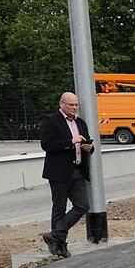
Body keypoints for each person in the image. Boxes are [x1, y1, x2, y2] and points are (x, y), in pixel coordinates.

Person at [39, 92, 94, 258]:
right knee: (59, 208)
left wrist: (89, 148)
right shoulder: (51, 121)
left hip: (78, 170)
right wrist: (70, 142)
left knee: (83, 205)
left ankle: (55, 235)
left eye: (76, 105)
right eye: (71, 105)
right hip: (59, 172)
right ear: (62, 104)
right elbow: (46, 144)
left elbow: (87, 142)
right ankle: (59, 245)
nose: (75, 108)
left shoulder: (80, 122)